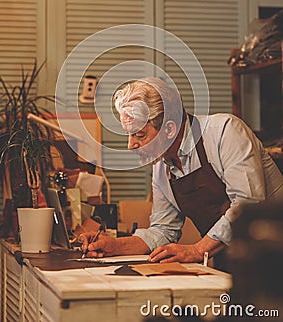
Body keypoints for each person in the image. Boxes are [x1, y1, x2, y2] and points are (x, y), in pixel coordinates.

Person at [80, 78, 283, 266]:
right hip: (236, 259)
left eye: (139, 135)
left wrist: (197, 249)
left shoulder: (225, 131)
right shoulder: (161, 165)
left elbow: (247, 204)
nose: (131, 145)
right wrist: (114, 246)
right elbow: (163, 230)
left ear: (169, 129)